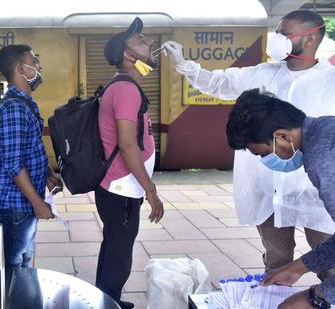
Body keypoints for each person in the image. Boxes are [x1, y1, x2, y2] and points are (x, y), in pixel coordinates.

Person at [163, 10, 335, 281]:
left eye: (285, 34)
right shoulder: (263, 74)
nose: (277, 40)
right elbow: (219, 82)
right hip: (267, 190)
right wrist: (185, 65)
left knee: (330, 264)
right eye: (276, 33)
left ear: (311, 38)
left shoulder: (330, 81)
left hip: (315, 193)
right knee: (277, 264)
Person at [226, 88, 334, 308]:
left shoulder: (322, 161)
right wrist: (298, 267)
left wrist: (317, 297)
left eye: (264, 154)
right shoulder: (325, 128)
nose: (265, 161)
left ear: (282, 136)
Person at [98, 17, 164, 309]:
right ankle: (107, 303)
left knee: (113, 246)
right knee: (120, 255)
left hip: (120, 185)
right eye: (140, 41)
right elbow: (126, 144)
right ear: (129, 55)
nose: (150, 43)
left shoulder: (123, 86)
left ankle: (104, 299)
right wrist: (150, 191)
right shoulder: (125, 89)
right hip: (122, 187)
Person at [0, 44, 62, 268]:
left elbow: (31, 147)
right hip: (14, 205)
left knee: (24, 260)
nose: (38, 66)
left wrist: (47, 172)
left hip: (21, 204)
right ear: (21, 68)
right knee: (14, 265)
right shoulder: (14, 109)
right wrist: (38, 203)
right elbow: (14, 164)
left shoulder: (25, 102)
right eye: (34, 61)